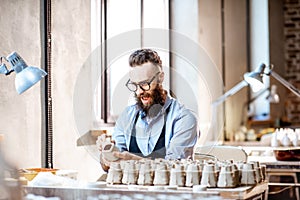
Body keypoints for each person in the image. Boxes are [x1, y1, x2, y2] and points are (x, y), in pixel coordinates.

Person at [98, 49, 199, 171]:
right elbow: (111, 166)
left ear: (160, 78)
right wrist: (106, 155)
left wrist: (134, 162)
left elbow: (175, 170)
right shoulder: (126, 117)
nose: (140, 91)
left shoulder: (184, 119)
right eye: (135, 85)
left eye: (145, 84)